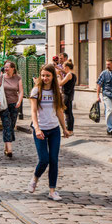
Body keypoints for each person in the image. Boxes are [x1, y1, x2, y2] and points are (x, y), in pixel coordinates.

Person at [28, 64, 71, 201]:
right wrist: (37, 128)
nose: (45, 78)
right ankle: (35, 178)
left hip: (54, 130)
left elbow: (59, 111)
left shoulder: (56, 91)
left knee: (53, 160)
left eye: (48, 75)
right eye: (43, 75)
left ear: (53, 76)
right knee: (44, 159)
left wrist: (64, 128)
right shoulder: (36, 91)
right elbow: (33, 111)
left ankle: (52, 191)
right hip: (40, 129)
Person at [0, 61, 24, 158]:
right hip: (3, 105)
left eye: (7, 67)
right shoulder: (1, 77)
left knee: (11, 126)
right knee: (7, 124)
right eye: (5, 67)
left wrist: (19, 101)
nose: (5, 69)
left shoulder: (18, 78)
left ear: (13, 68)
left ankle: (6, 146)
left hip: (14, 105)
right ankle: (10, 149)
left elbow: (21, 91)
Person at [58, 61, 76, 136]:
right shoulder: (72, 75)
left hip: (67, 95)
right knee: (68, 112)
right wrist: (60, 75)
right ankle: (69, 129)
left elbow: (60, 83)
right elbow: (64, 82)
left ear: (67, 67)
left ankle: (69, 130)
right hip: (69, 95)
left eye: (63, 67)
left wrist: (58, 76)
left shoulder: (69, 74)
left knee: (67, 113)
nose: (63, 68)